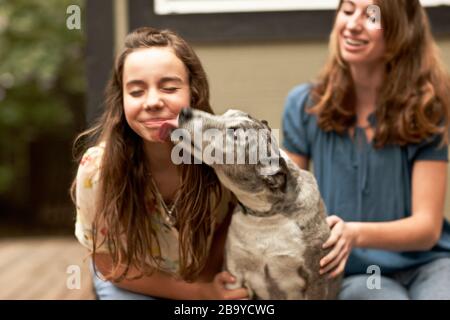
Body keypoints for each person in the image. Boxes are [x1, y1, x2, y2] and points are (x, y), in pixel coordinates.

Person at [282, 0, 450, 299]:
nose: (354, 24)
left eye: (372, 15)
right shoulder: (304, 105)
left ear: (402, 30)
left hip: (429, 263)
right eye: (347, 11)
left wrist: (355, 232)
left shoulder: (427, 108)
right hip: (358, 271)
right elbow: (285, 207)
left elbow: (427, 229)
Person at [71, 27, 249, 300]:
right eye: (137, 91)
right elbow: (107, 262)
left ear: (194, 92)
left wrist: (203, 285)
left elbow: (224, 224)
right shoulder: (97, 169)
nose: (153, 101)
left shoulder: (222, 159)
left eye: (169, 87)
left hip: (200, 275)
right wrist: (197, 294)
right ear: (122, 101)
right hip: (131, 279)